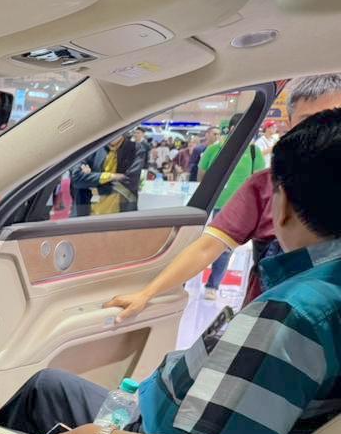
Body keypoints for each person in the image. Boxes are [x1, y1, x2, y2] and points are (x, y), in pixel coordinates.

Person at [0, 107, 341, 434]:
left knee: (41, 393)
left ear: (283, 203)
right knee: (50, 385)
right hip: (165, 417)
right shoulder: (323, 290)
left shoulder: (292, 313)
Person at [109, 74, 341, 320]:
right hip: (268, 319)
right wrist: (147, 293)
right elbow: (208, 246)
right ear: (289, 123)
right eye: (308, 122)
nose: (321, 132)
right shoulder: (264, 185)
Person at [197, 112, 268, 298]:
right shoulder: (214, 149)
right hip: (210, 205)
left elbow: (258, 181)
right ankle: (183, 280)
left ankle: (213, 286)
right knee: (197, 242)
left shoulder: (254, 152)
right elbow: (202, 174)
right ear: (231, 129)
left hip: (237, 208)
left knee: (224, 248)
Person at [72, 131, 144, 215]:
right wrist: (112, 176)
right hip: (88, 213)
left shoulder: (135, 148)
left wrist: (93, 184)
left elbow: (131, 182)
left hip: (121, 214)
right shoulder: (91, 148)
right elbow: (77, 179)